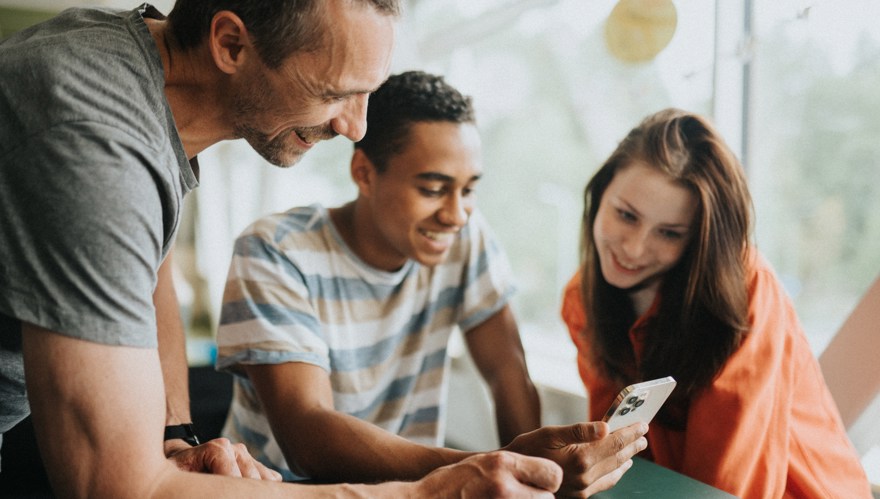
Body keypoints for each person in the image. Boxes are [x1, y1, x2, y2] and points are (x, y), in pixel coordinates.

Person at [0, 1, 568, 496]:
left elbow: (153, 271)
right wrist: (428, 495)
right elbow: (116, 487)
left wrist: (174, 438)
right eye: (335, 92)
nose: (355, 127)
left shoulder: (137, 88)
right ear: (230, 43)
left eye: (367, 93)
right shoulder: (96, 141)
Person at [215, 70, 649, 496]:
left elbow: (506, 371)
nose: (456, 213)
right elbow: (306, 434)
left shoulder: (464, 237)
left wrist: (539, 480)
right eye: (434, 188)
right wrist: (493, 466)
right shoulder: (274, 251)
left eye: (468, 189)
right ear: (363, 173)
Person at [560, 108, 873, 498]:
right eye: (626, 215)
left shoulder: (743, 292)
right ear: (599, 193)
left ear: (700, 239)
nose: (635, 248)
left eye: (670, 233)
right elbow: (613, 455)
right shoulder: (581, 298)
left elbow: (728, 482)